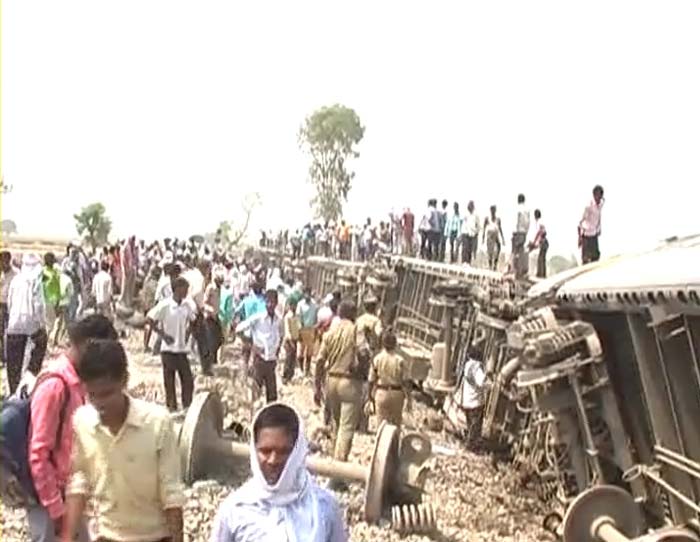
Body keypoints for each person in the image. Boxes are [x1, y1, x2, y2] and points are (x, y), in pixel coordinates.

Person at [61, 339, 185, 542]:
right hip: (106, 536)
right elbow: (79, 483)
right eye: (93, 395)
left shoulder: (157, 422)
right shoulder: (83, 421)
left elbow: (171, 493)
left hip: (153, 537)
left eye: (107, 394)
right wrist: (67, 537)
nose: (100, 404)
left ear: (124, 381)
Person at [28, 315, 118, 542]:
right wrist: (57, 511)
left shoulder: (77, 383)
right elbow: (38, 454)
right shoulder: (55, 386)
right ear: (87, 346)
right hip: (49, 501)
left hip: (71, 498)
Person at [210, 403, 347, 542]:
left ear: (298, 452)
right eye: (265, 451)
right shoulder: (235, 509)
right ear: (254, 450)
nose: (273, 461)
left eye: (283, 452)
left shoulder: (324, 507)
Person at [314, 300, 369, 471]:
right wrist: (361, 369)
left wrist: (317, 386)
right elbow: (364, 352)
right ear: (353, 314)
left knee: (336, 426)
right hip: (349, 382)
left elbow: (320, 360)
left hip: (331, 381)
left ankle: (332, 465)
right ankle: (338, 472)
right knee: (346, 428)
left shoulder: (331, 333)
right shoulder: (355, 330)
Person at [147, 276, 196, 410]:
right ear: (177, 289)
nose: (186, 292)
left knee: (188, 381)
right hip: (168, 349)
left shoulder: (186, 305)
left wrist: (187, 333)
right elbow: (150, 319)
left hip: (181, 349)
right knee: (169, 382)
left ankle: (187, 406)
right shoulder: (166, 305)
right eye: (185, 289)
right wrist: (163, 335)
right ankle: (172, 408)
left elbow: (194, 320)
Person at [6, 253, 48, 395]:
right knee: (36, 350)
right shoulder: (36, 281)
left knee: (13, 363)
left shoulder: (15, 280)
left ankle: (13, 392)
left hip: (13, 325)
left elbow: (10, 302)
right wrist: (42, 325)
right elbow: (38, 305)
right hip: (31, 326)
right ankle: (28, 382)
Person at [236, 289, 284, 403]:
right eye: (268, 302)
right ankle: (252, 416)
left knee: (272, 396)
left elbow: (282, 335)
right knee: (255, 392)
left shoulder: (279, 320)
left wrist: (277, 349)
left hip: (271, 362)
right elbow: (238, 329)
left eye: (273, 302)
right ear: (265, 302)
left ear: (276, 303)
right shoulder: (258, 318)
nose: (270, 305)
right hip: (259, 361)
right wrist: (251, 345)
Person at [366, 328, 411, 428]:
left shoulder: (377, 359)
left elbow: (371, 380)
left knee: (381, 425)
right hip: (397, 394)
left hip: (381, 392)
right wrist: (409, 399)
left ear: (382, 344)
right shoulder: (400, 360)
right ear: (395, 344)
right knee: (396, 425)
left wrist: (370, 397)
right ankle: (394, 443)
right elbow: (406, 381)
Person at [0, 250, 19, 364]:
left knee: (12, 332)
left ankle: (12, 355)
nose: (3, 264)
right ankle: (2, 357)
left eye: (4, 261)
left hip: (13, 306)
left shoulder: (16, 274)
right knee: (1, 332)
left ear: (9, 260)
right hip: (1, 305)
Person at [579, 184, 605, 264]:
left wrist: (599, 229)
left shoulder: (600, 205)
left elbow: (599, 218)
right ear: (594, 195)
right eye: (598, 195)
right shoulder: (588, 206)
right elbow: (581, 221)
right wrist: (580, 237)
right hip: (586, 234)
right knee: (586, 258)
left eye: (600, 196)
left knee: (595, 256)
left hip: (594, 233)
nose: (599, 198)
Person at [296, 288, 319, 375]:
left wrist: (315, 331)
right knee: (300, 351)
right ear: (303, 294)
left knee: (310, 352)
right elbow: (298, 318)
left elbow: (316, 317)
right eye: (305, 294)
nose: (307, 296)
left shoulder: (314, 305)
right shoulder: (300, 304)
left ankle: (307, 370)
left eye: (308, 294)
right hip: (303, 329)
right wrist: (299, 331)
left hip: (311, 329)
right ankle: (301, 369)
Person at [511, 194, 531, 279]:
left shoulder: (518, 209)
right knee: (521, 251)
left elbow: (516, 220)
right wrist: (526, 230)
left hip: (518, 231)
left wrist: (514, 231)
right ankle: (521, 271)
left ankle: (515, 271)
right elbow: (528, 222)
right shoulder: (527, 210)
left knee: (515, 251)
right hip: (524, 232)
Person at [282, 297, 301, 383]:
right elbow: (287, 331)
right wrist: (291, 342)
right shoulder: (288, 316)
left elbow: (298, 327)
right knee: (288, 358)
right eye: (293, 305)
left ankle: (290, 376)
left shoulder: (296, 316)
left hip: (295, 339)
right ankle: (285, 377)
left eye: (295, 305)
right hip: (289, 341)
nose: (294, 307)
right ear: (290, 306)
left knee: (293, 359)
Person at [482, 205, 505, 271]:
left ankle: (495, 263)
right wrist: (483, 238)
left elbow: (500, 228)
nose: (493, 212)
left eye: (494, 210)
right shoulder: (487, 218)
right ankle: (490, 265)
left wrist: (503, 238)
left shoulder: (498, 219)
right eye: (492, 210)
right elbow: (484, 228)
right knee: (490, 251)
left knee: (498, 248)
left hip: (496, 234)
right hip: (489, 235)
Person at [529, 209, 549, 278]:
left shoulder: (540, 222)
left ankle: (541, 274)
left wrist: (535, 242)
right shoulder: (538, 222)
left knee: (541, 259)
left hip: (543, 242)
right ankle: (541, 274)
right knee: (541, 259)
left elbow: (541, 232)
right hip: (543, 242)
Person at [461, 201, 479, 265]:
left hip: (472, 233)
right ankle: (464, 262)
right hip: (465, 232)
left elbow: (478, 225)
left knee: (470, 249)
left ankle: (468, 262)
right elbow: (464, 224)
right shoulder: (465, 214)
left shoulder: (475, 215)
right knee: (465, 247)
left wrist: (476, 232)